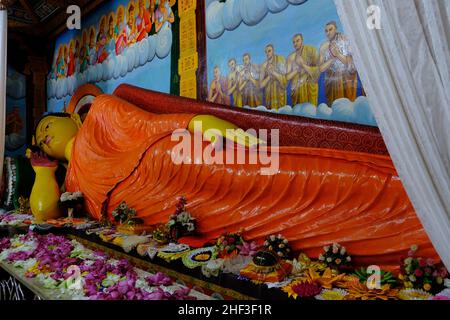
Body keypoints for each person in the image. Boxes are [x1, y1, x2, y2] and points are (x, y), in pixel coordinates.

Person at [30, 90, 439, 270]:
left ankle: (417, 198)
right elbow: (44, 214)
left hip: (177, 158)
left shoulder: (100, 113)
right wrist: (42, 172)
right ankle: (405, 232)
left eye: (49, 123)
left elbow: (151, 123)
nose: (46, 134)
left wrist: (205, 125)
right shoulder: (71, 181)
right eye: (41, 139)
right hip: (162, 208)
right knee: (270, 223)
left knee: (280, 175)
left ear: (70, 116)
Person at [319, 21, 358, 105]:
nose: (328, 32)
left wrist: (337, 54)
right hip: (331, 82)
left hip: (345, 80)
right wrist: (332, 58)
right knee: (334, 107)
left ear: (335, 29)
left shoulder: (344, 40)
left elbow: (350, 64)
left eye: (330, 29)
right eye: (326, 31)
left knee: (347, 106)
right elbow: (321, 68)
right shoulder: (323, 46)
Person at [286, 34, 320, 106]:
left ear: (302, 40)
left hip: (310, 88)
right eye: (294, 42)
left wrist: (303, 65)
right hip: (296, 90)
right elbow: (287, 77)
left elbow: (317, 71)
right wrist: (297, 70)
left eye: (297, 41)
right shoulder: (290, 57)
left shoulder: (311, 50)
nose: (295, 44)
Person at [260, 44, 287, 110]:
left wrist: (274, 73)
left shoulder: (280, 60)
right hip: (269, 96)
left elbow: (285, 81)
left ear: (273, 51)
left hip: (279, 95)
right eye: (266, 52)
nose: (267, 53)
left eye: (269, 51)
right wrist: (269, 76)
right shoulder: (264, 65)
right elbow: (261, 85)